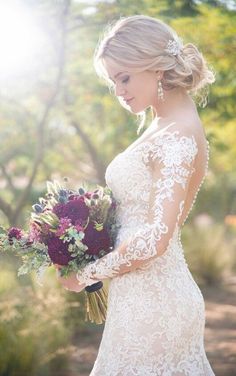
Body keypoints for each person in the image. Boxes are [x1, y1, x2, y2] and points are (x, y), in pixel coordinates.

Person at [57, 15, 216, 375]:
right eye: (113, 81)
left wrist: (85, 274)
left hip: (156, 306)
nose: (118, 90)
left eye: (124, 77)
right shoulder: (162, 123)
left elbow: (156, 238)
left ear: (156, 68)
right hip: (142, 299)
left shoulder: (177, 134)